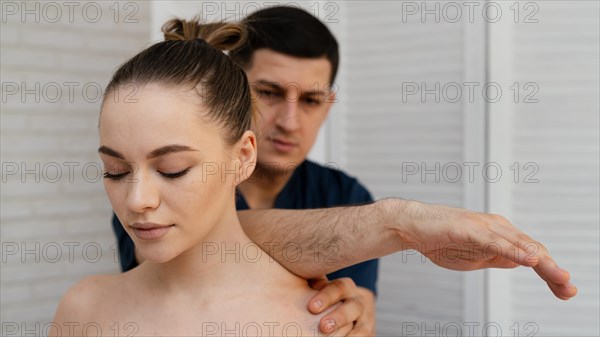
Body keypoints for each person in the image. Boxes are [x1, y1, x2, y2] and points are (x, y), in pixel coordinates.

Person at [110, 6, 577, 335]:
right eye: (269, 93)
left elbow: (358, 319)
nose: (289, 121)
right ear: (234, 91)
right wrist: (393, 224)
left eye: (310, 100)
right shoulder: (154, 190)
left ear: (329, 104)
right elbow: (190, 258)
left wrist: (353, 311)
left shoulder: (346, 193)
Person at [51, 20, 355, 337]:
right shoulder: (82, 310)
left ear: (242, 157)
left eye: (173, 169)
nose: (137, 200)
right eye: (117, 171)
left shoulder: (317, 323)